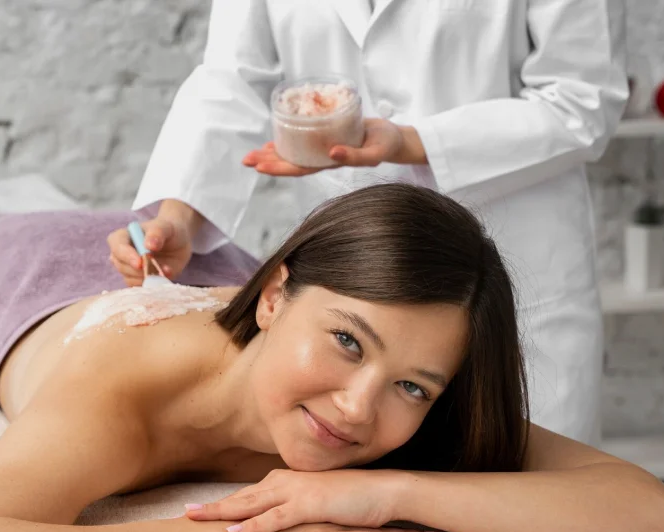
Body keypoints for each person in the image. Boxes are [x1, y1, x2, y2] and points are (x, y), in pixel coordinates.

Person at [0, 185, 664, 532]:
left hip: (218, 279)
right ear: (274, 297)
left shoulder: (405, 387)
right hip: (15, 271)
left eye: (412, 386)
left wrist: (389, 491)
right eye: (347, 342)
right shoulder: (126, 390)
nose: (358, 408)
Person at [108, 0, 630, 447]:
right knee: (359, 500)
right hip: (357, 275)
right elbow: (233, 78)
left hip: (517, 264)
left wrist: (411, 141)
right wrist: (178, 216)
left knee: (531, 490)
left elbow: (582, 101)